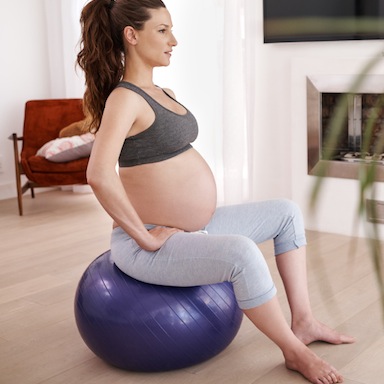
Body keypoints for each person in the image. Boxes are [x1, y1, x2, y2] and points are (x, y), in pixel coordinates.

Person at [77, 1, 355, 383]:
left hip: (192, 228)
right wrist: (144, 236)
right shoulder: (124, 99)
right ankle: (294, 351)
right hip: (148, 245)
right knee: (241, 252)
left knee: (286, 212)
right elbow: (98, 174)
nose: (173, 40)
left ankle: (304, 322)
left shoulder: (162, 91)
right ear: (131, 35)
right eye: (162, 30)